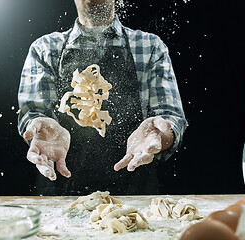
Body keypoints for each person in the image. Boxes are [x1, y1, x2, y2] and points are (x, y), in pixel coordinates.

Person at [18, 0, 187, 195]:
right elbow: (34, 113)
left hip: (135, 196)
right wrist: (39, 124)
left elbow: (170, 118)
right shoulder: (45, 48)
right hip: (60, 197)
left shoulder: (150, 46)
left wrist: (157, 134)